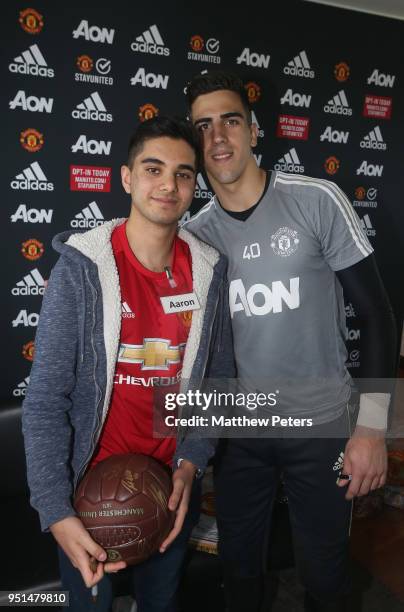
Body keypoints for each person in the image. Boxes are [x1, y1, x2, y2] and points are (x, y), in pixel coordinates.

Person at [183, 70, 397, 612]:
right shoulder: (196, 234)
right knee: (240, 573)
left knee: (325, 578)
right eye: (203, 127)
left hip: (320, 425)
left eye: (230, 120)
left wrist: (371, 428)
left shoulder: (316, 199)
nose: (218, 138)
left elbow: (377, 317)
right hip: (239, 434)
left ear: (254, 131)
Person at [22, 115, 235, 612]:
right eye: (153, 168)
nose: (168, 185)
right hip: (89, 495)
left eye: (183, 173)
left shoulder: (208, 271)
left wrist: (190, 464)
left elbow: (217, 381)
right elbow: (46, 401)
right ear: (126, 178)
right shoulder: (82, 269)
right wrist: (56, 512)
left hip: (168, 492)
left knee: (161, 603)